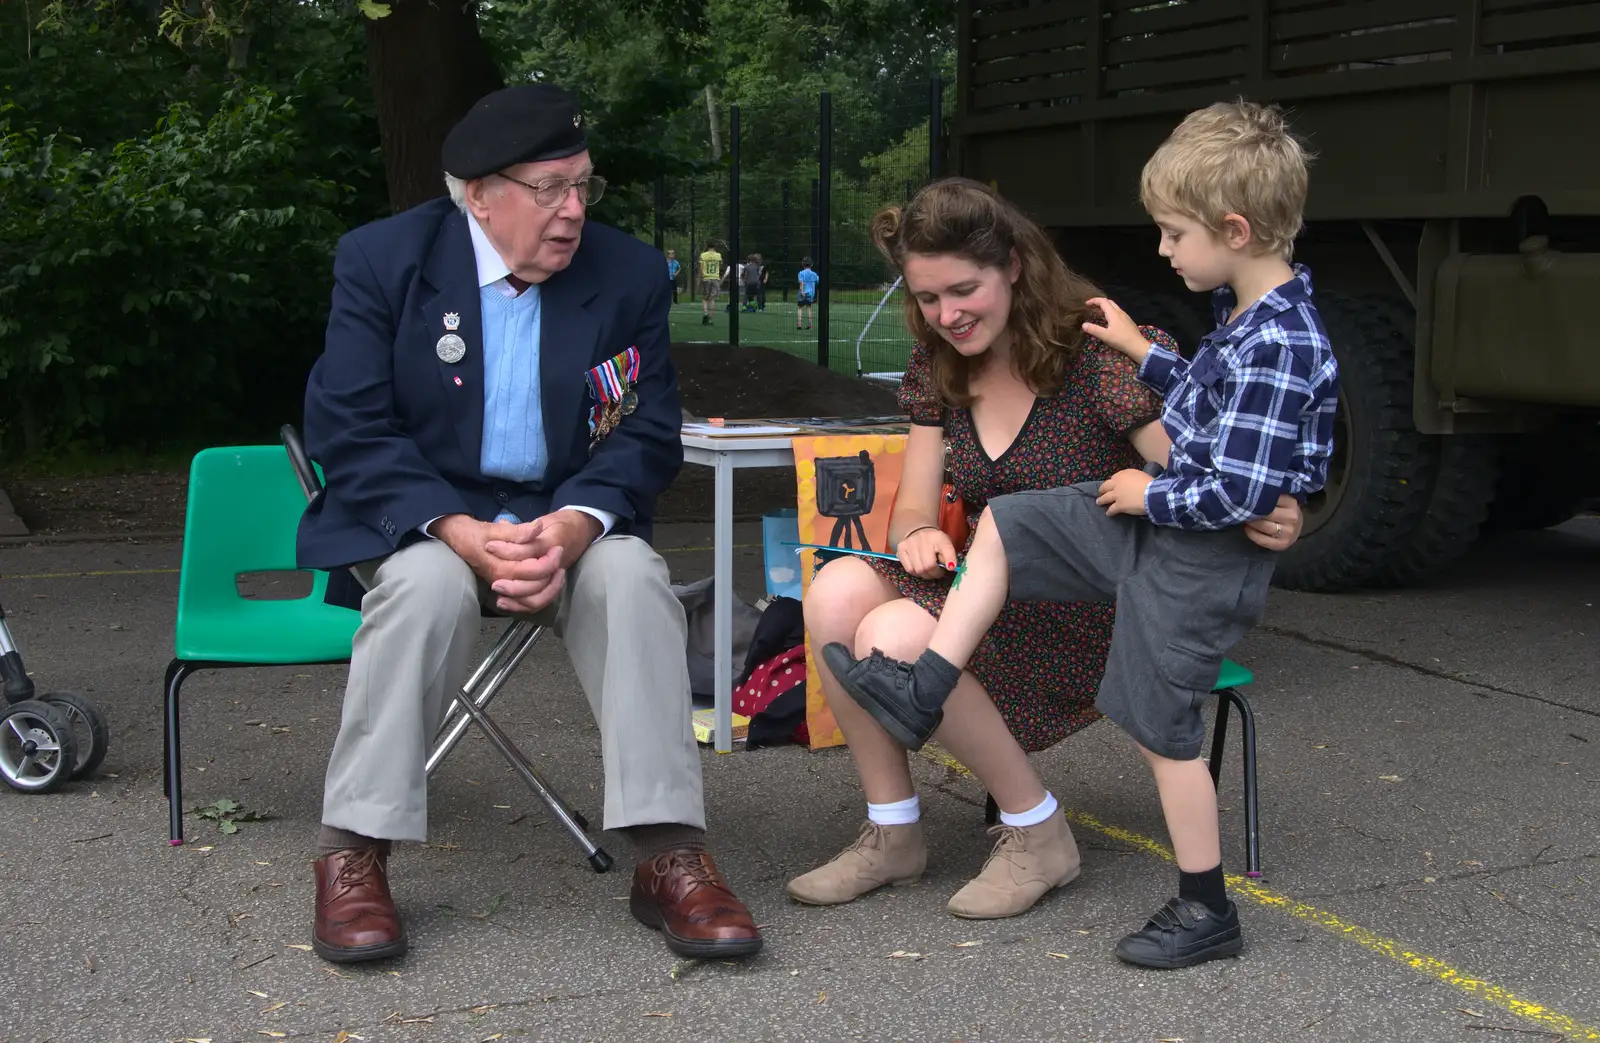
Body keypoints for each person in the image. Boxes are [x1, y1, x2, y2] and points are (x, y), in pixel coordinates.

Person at [822, 102, 1338, 969]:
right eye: (926, 298)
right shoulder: (1234, 326)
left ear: (1014, 269)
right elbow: (1221, 424)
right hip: (1025, 569)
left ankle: (1085, 853)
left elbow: (1221, 479)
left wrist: (1257, 502)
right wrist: (915, 535)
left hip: (1121, 583)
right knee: (863, 583)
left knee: (913, 638)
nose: (944, 314)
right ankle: (896, 819)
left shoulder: (1119, 351)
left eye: (963, 291)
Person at [296, 84, 763, 965]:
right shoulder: (383, 262)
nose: (574, 210)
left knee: (633, 579)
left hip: (566, 520)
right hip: (428, 522)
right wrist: (457, 527)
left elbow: (649, 427)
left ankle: (668, 853)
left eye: (584, 185)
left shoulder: (624, 273)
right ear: (479, 193)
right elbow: (348, 428)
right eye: (549, 188)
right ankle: (354, 851)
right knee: (425, 585)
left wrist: (578, 524)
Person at [698, 241, 723, 324]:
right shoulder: (718, 255)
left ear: (707, 246)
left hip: (706, 277)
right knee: (712, 299)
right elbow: (720, 264)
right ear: (715, 247)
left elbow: (701, 267)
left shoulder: (703, 255)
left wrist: (701, 277)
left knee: (704, 298)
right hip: (715, 277)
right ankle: (710, 319)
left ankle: (705, 312)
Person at [796, 257, 818, 330]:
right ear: (811, 265)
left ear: (803, 264)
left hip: (802, 292)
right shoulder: (814, 274)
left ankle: (799, 324)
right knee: (808, 308)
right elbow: (817, 281)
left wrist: (802, 291)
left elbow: (801, 282)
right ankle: (810, 324)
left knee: (800, 308)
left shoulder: (801, 273)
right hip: (811, 293)